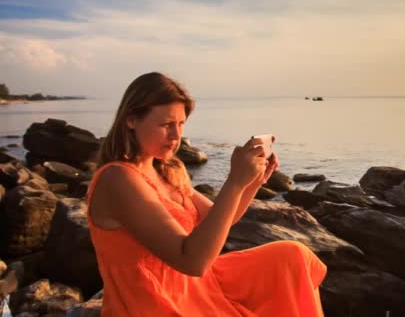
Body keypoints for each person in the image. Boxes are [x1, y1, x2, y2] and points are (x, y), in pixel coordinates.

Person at [87, 72, 327, 316]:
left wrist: (251, 183)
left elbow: (219, 219)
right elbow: (192, 261)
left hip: (196, 287)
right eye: (166, 124)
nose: (176, 135)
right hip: (155, 301)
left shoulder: (167, 169)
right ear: (131, 120)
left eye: (181, 124)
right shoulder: (117, 178)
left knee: (292, 257)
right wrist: (234, 182)